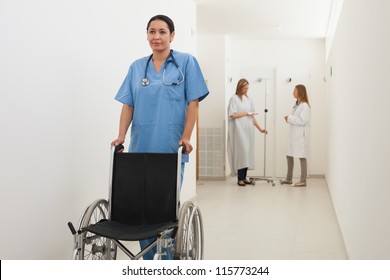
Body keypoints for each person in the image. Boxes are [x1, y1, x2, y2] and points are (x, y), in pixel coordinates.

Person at [110, 15, 209, 259]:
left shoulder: (186, 62)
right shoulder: (137, 67)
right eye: (152, 31)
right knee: (142, 206)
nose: (157, 36)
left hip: (170, 149)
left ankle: (165, 259)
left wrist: (186, 137)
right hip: (141, 147)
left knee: (163, 206)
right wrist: (121, 136)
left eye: (162, 32)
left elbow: (193, 103)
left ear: (172, 36)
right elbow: (128, 105)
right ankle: (146, 257)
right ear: (147, 35)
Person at [227, 78, 267, 187]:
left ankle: (244, 178)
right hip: (239, 131)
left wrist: (260, 129)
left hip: (248, 129)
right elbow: (233, 115)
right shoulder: (234, 99)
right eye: (244, 88)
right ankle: (239, 178)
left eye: (247, 88)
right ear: (239, 87)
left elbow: (252, 116)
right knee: (242, 152)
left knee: (247, 153)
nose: (246, 90)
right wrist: (245, 113)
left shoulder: (249, 99)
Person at [281, 84, 311, 187]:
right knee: (289, 155)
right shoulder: (297, 105)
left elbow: (303, 120)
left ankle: (303, 180)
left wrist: (289, 118)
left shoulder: (305, 106)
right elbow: (296, 118)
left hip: (300, 136)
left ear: (300, 92)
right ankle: (289, 179)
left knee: (302, 156)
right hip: (293, 135)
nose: (293, 92)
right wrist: (289, 118)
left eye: (294, 91)